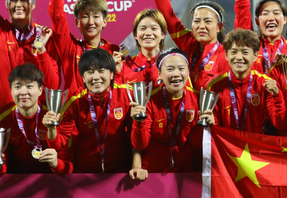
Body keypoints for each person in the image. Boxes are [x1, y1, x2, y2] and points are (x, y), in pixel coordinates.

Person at [139, 0, 229, 91]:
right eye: (196, 21)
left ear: (219, 27)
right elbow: (167, 15)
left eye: (207, 21)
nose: (201, 26)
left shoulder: (227, 55)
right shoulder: (188, 42)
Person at [44, 49, 132, 173]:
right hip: (85, 171)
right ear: (83, 78)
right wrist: (51, 128)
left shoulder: (127, 94)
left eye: (101, 71)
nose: (96, 77)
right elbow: (59, 144)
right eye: (90, 72)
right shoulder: (75, 101)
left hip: (120, 170)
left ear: (111, 74)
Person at [51, 0, 119, 94]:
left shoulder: (114, 51)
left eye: (96, 16)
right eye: (85, 17)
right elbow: (57, 13)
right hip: (76, 109)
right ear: (77, 22)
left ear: (105, 21)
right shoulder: (70, 49)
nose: (90, 22)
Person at [130, 48, 201, 180]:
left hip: (184, 171)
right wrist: (139, 122)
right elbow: (140, 144)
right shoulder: (148, 100)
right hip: (151, 173)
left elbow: (196, 144)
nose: (176, 74)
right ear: (159, 74)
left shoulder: (198, 99)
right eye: (170, 69)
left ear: (188, 72)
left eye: (181, 68)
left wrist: (205, 127)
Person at [202, 29, 286, 133]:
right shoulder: (215, 86)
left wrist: (277, 95)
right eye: (234, 52)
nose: (239, 57)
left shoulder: (264, 83)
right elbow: (215, 127)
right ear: (226, 55)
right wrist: (211, 122)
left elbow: (279, 123)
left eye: (245, 52)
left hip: (254, 142)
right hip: (227, 142)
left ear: (255, 56)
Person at [0, 64, 70, 175]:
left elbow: (68, 165)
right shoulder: (3, 118)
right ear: (11, 91)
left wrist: (56, 163)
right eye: (17, 87)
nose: (23, 92)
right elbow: (3, 162)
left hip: (50, 178)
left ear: (40, 90)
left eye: (29, 86)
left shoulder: (53, 115)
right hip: (15, 177)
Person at [115, 9, 167, 85]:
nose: (148, 33)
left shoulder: (171, 64)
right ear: (135, 34)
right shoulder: (123, 67)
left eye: (154, 28)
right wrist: (117, 74)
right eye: (143, 28)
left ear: (163, 34)